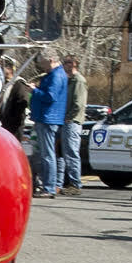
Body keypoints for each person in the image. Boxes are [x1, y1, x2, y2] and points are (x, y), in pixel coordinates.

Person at [27, 50, 67, 197]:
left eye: (43, 62)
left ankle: (49, 187)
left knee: (48, 155)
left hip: (48, 118)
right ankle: (49, 185)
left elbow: (50, 96)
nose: (41, 66)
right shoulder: (56, 74)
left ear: (50, 60)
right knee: (47, 154)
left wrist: (34, 90)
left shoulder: (56, 75)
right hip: (47, 117)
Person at [59, 56, 88, 190]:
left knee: (71, 153)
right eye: (64, 62)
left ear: (75, 64)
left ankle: (75, 183)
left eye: (69, 62)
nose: (65, 65)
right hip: (64, 121)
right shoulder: (68, 80)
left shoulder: (79, 81)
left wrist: (69, 117)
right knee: (63, 153)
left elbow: (79, 103)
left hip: (72, 122)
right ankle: (65, 182)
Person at [0, 58, 30, 138]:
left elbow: (22, 103)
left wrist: (13, 120)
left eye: (3, 67)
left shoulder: (19, 84)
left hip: (14, 126)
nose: (0, 69)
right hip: (6, 123)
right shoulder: (6, 83)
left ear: (9, 69)